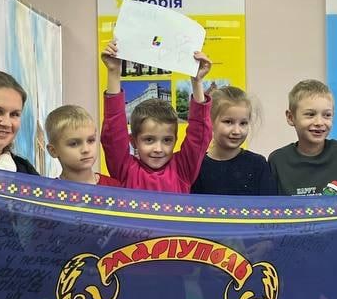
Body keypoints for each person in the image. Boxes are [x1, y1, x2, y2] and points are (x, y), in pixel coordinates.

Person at [100, 39, 212, 192]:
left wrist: (197, 81)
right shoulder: (126, 170)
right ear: (133, 141)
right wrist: (113, 72)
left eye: (167, 140)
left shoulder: (182, 169)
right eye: (149, 140)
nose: (158, 149)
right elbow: (113, 135)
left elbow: (199, 136)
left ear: (175, 140)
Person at [268, 79, 337, 196]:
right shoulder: (277, 160)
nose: (319, 122)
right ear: (290, 117)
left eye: (327, 115)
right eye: (310, 114)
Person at [192, 86, 277, 196]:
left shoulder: (258, 164)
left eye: (243, 123)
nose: (237, 131)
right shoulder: (197, 166)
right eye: (228, 122)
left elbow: (268, 204)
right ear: (210, 122)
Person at [44, 104, 121, 186]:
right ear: (53, 151)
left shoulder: (114, 187)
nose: (86, 149)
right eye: (74, 144)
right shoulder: (49, 191)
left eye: (91, 140)